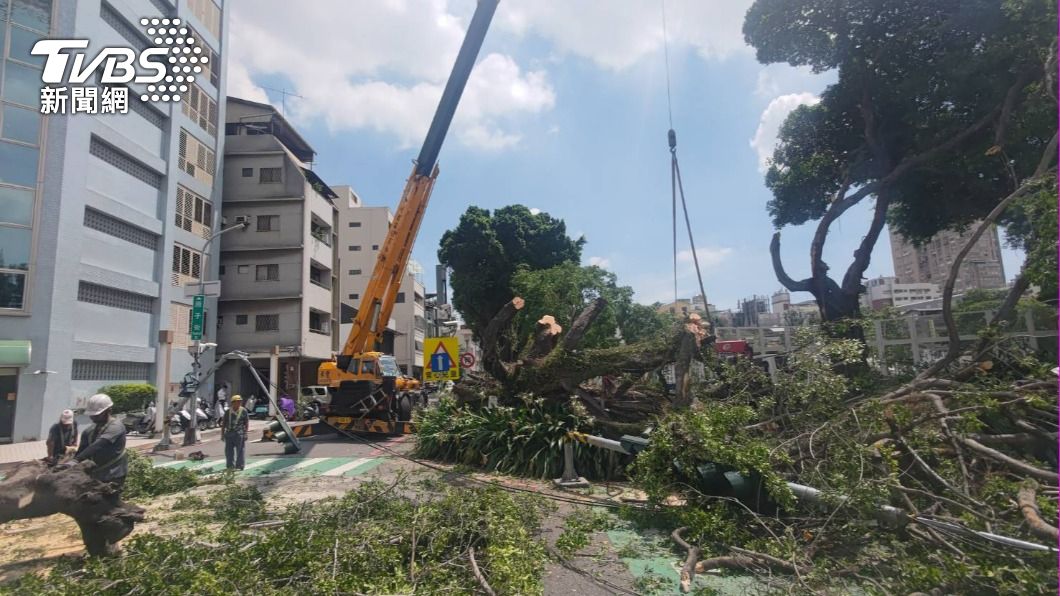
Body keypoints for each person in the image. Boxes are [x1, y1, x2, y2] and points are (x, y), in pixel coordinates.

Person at [72, 393, 128, 494]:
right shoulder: (89, 431)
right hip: (96, 474)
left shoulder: (116, 427)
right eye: (92, 415)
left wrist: (76, 460)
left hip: (113, 474)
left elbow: (99, 444)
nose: (93, 418)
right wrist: (72, 463)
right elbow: (82, 450)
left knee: (108, 504)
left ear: (109, 411)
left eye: (97, 415)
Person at [221, 394, 250, 470]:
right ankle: (230, 466)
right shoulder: (228, 412)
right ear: (232, 403)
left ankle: (240, 465)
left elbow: (246, 423)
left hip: (239, 433)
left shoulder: (243, 411)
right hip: (229, 433)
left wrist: (246, 433)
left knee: (240, 450)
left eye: (240, 402)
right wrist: (222, 434)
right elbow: (223, 424)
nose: (239, 403)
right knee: (229, 451)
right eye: (237, 402)